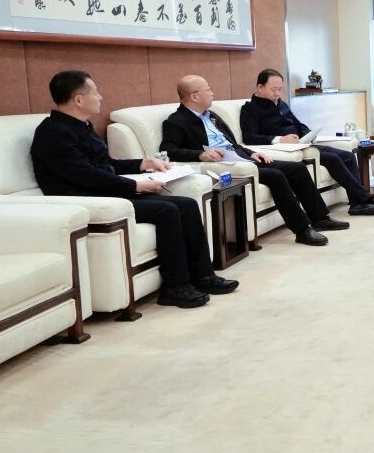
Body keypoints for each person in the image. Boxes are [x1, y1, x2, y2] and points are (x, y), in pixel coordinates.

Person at [30, 70, 237, 309]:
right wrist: (135, 185)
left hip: (105, 190)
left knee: (187, 205)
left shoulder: (81, 127)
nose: (100, 97)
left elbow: (105, 165)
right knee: (167, 210)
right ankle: (175, 286)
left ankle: (203, 276)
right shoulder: (53, 133)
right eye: (95, 92)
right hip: (85, 198)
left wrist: (142, 164)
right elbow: (84, 175)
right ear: (78, 99)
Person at [160, 75, 346, 246]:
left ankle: (320, 218)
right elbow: (168, 150)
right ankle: (302, 230)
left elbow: (233, 144)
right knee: (275, 176)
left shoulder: (212, 116)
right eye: (208, 89)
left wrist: (251, 153)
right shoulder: (176, 121)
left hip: (241, 158)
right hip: (223, 166)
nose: (212, 93)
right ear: (194, 96)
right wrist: (200, 154)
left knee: (297, 168)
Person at [238, 69, 374, 216]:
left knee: (348, 156)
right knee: (333, 158)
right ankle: (366, 199)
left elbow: (298, 124)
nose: (277, 93)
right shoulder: (250, 109)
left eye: (280, 89)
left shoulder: (281, 104)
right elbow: (249, 137)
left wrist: (308, 134)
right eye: (273, 89)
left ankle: (357, 203)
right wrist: (280, 139)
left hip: (303, 144)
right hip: (287, 151)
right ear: (260, 87)